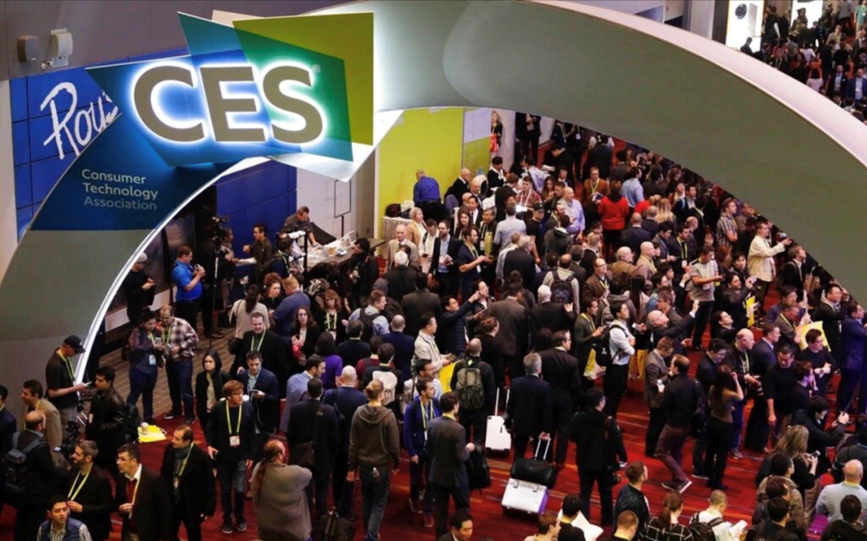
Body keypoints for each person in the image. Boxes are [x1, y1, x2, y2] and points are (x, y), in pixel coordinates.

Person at [347, 380, 401, 541]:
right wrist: (396, 462)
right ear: (382, 394)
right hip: (381, 466)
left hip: (364, 465)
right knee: (378, 504)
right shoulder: (389, 416)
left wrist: (351, 467)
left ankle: (370, 533)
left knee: (367, 501)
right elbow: (394, 445)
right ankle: (371, 536)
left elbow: (353, 444)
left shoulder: (358, 413)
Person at [570, 387, 627, 525]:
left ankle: (584, 520)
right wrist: (623, 458)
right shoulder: (608, 421)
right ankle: (607, 519)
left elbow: (572, 436)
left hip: (584, 460)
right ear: (601, 402)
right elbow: (617, 442)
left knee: (585, 493)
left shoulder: (578, 417)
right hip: (604, 464)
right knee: (606, 492)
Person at [206, 380, 255, 534]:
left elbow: (252, 433)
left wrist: (251, 454)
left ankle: (239, 517)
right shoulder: (218, 408)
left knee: (240, 490)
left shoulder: (247, 408)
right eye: (236, 394)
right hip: (223, 457)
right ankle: (227, 518)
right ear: (228, 396)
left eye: (241, 392)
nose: (240, 396)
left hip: (241, 456)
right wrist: (209, 445)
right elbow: (211, 428)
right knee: (225, 491)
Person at [287, 378, 339, 517]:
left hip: (301, 456)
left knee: (304, 489)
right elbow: (334, 438)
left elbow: (290, 434)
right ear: (322, 391)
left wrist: (294, 452)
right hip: (323, 457)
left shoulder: (296, 408)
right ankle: (320, 519)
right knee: (322, 491)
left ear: (307, 391)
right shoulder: (329, 411)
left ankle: (305, 518)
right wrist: (331, 456)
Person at [12, 411, 65, 541]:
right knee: (33, 527)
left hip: (16, 487)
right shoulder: (41, 446)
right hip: (35, 494)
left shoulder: (16, 436)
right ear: (40, 425)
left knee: (20, 522)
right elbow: (50, 470)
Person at [428, 392, 474, 539]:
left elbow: (430, 449)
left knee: (440, 512)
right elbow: (461, 456)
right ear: (455, 406)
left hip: (437, 474)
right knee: (462, 509)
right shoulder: (459, 429)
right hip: (456, 477)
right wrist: (469, 448)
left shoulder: (432, 423)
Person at [160, 425, 215, 541]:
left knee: (194, 534)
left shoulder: (201, 457)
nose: (172, 440)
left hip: (190, 503)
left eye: (177, 439)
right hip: (172, 500)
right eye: (173, 437)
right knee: (168, 533)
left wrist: (208, 509)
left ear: (187, 442)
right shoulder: (169, 449)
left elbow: (209, 484)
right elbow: (164, 474)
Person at [657, 355, 703, 493]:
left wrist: (661, 393)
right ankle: (676, 480)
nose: (670, 366)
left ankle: (681, 478)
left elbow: (664, 407)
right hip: (687, 425)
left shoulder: (671, 386)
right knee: (676, 450)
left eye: (672, 364)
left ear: (676, 368)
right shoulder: (695, 382)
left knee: (660, 451)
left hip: (673, 425)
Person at [251, 439, 312, 541]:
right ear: (279, 455)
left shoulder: (257, 468)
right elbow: (309, 474)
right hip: (293, 535)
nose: (285, 452)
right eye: (284, 450)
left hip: (266, 532)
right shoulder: (292, 474)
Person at [404, 376, 441, 526]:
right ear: (423, 392)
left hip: (433, 448)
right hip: (418, 448)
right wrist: (411, 452)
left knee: (431, 480)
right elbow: (407, 431)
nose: (434, 390)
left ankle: (428, 511)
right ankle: (413, 498)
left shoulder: (436, 403)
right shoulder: (412, 408)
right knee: (416, 478)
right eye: (431, 388)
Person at [541, 331, 582, 467]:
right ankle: (559, 461)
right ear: (563, 342)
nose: (571, 342)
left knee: (548, 428)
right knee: (563, 431)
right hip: (565, 399)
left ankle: (546, 457)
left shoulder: (543, 355)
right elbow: (576, 385)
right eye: (569, 340)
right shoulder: (572, 361)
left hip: (547, 397)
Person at [115, 443, 172, 541]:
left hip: (148, 535)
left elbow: (165, 511)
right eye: (118, 458)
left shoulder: (154, 480)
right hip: (128, 532)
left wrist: (165, 537)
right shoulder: (121, 477)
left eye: (122, 459)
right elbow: (117, 500)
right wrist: (120, 508)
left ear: (133, 461)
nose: (118, 462)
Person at [450, 339, 496, 445]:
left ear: (467, 348)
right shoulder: (486, 368)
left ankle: (464, 454)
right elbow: (490, 392)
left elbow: (453, 385)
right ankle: (476, 454)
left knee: (463, 436)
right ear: (481, 349)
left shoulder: (459, 365)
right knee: (478, 439)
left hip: (463, 406)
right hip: (480, 408)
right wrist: (488, 408)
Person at [157, 305, 198, 423]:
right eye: (162, 317)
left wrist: (180, 347)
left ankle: (190, 415)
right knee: (173, 388)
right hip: (170, 361)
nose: (164, 320)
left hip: (183, 361)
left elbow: (195, 339)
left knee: (185, 389)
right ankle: (176, 410)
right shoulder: (159, 327)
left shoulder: (182, 324)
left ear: (173, 316)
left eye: (166, 318)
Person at [706, 364, 744, 490]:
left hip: (713, 420)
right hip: (724, 423)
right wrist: (736, 381)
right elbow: (741, 397)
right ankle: (717, 480)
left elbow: (710, 403)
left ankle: (709, 475)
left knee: (710, 450)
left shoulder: (713, 388)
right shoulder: (729, 394)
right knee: (722, 454)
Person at [509, 353, 553, 460]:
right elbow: (547, 409)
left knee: (518, 453)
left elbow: (511, 405)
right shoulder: (545, 386)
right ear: (538, 368)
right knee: (538, 456)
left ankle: (516, 469)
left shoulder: (516, 382)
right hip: (538, 425)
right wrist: (547, 429)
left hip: (520, 423)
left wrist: (508, 422)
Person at [238, 351, 280, 463]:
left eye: (257, 364)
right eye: (251, 364)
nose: (254, 367)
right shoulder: (242, 376)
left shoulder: (270, 377)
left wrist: (263, 396)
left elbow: (275, 397)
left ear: (261, 362)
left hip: (261, 418)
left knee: (259, 449)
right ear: (247, 363)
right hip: (245, 416)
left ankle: (257, 468)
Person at [85, 366, 125, 479]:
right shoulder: (98, 395)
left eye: (100, 380)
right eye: (96, 379)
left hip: (110, 442)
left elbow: (120, 422)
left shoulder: (115, 400)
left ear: (109, 382)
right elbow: (92, 412)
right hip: (98, 439)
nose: (96, 383)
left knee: (116, 471)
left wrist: (99, 427)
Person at [233, 311, 288, 392]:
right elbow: (242, 353)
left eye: (260, 324)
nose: (258, 327)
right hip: (249, 375)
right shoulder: (247, 335)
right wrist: (241, 365)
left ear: (264, 323)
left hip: (266, 378)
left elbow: (281, 363)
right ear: (251, 325)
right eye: (255, 324)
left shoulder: (275, 339)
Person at [126, 309, 164, 424]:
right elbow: (135, 347)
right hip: (138, 368)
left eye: (154, 323)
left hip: (152, 368)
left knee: (149, 393)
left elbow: (158, 345)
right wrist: (152, 347)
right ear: (143, 323)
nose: (152, 326)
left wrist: (161, 349)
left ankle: (148, 416)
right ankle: (127, 416)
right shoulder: (137, 332)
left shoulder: (156, 332)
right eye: (149, 324)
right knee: (135, 393)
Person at [45, 334, 87, 429]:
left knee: (72, 429)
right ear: (67, 347)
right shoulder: (55, 365)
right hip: (62, 407)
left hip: (71, 402)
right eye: (75, 351)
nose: (76, 353)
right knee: (66, 431)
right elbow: (52, 393)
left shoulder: (66, 358)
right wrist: (75, 388)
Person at [172, 245, 214, 338]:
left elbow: (190, 276)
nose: (191, 258)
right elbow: (188, 286)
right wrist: (199, 275)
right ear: (184, 256)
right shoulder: (179, 270)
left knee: (193, 323)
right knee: (189, 326)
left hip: (193, 300)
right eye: (190, 256)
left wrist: (196, 273)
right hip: (186, 302)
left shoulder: (186, 265)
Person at [748, 222, 792, 311]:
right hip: (758, 274)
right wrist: (782, 244)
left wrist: (773, 269)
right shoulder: (756, 242)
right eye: (765, 228)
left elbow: (770, 256)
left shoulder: (763, 241)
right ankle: (754, 314)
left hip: (765, 273)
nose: (767, 230)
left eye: (767, 228)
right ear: (759, 230)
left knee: (762, 296)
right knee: (757, 297)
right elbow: (768, 253)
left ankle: (759, 312)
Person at [604, 301, 636, 419]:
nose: (628, 311)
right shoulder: (617, 331)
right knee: (612, 400)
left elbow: (633, 339)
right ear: (618, 314)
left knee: (617, 398)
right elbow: (631, 351)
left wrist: (629, 343)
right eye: (624, 309)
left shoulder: (622, 324)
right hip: (616, 368)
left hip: (622, 366)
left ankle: (611, 422)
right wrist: (629, 344)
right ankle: (607, 423)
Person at [19, 380, 63, 462]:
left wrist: (53, 461)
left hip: (40, 455)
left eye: (25, 394)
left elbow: (55, 440)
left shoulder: (50, 411)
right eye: (22, 392)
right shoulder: (26, 405)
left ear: (35, 395)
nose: (22, 396)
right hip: (26, 453)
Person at [645, 338, 675, 457]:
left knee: (657, 424)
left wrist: (667, 371)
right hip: (655, 398)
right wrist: (669, 375)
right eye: (668, 352)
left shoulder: (655, 356)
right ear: (663, 349)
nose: (669, 355)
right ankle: (650, 450)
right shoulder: (653, 362)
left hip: (658, 397)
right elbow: (654, 383)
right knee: (655, 426)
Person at [194, 350, 229, 433]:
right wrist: (199, 409)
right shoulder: (200, 376)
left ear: (216, 362)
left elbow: (229, 393)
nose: (207, 364)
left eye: (210, 362)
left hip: (220, 411)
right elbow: (198, 394)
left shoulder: (224, 375)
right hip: (205, 411)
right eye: (206, 361)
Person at [614, 462, 651, 533]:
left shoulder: (625, 488)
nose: (647, 473)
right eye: (646, 472)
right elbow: (632, 525)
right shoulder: (634, 502)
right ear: (642, 477)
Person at [122, 252, 155, 325]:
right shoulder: (128, 276)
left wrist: (148, 278)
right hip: (134, 310)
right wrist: (143, 288)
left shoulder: (140, 271)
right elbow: (130, 294)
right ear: (137, 263)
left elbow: (143, 276)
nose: (144, 266)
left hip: (144, 306)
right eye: (143, 264)